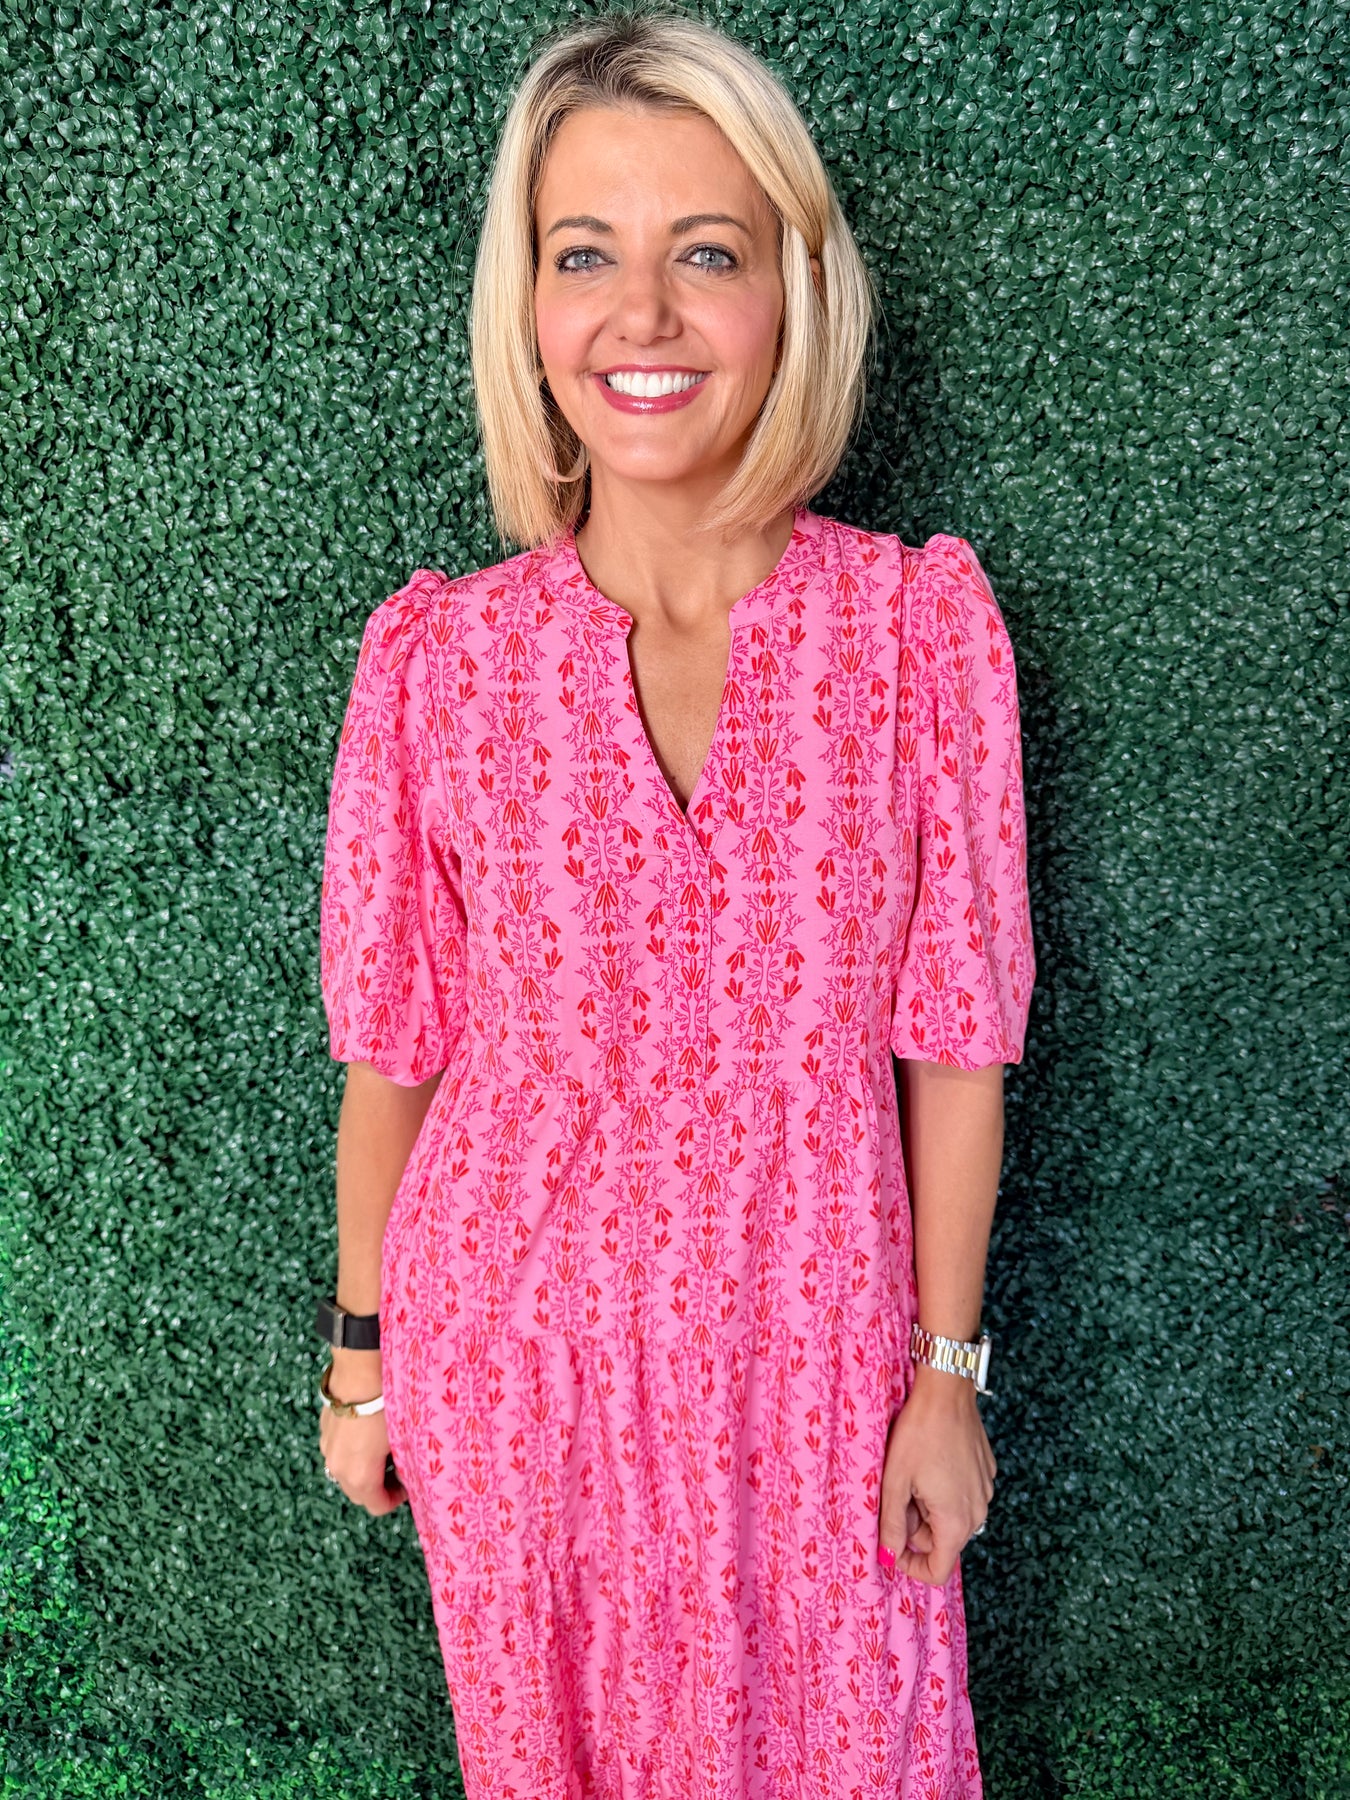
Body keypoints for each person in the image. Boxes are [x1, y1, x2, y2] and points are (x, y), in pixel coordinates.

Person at [315, 8, 1036, 1796]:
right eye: (584, 256)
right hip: (519, 1377)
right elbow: (396, 1052)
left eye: (704, 254)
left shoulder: (913, 633)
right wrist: (360, 1365)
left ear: (791, 292)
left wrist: (945, 1378)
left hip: (823, 1373)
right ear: (526, 304)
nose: (639, 315)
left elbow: (956, 1042)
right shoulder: (438, 664)